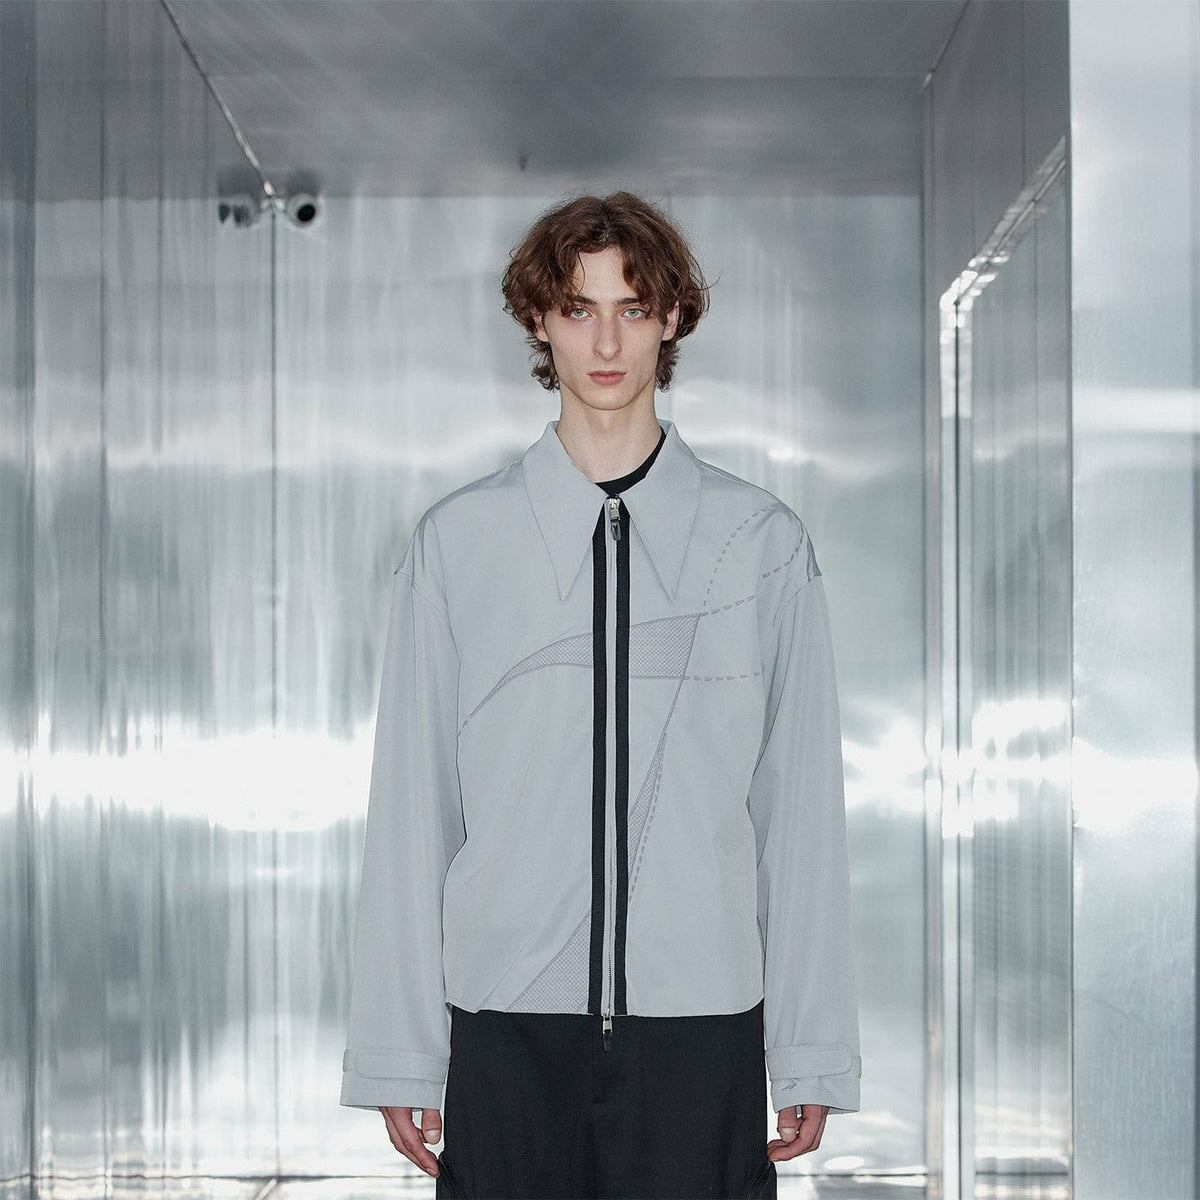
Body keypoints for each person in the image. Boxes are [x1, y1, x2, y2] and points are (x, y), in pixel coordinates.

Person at [339, 191, 861, 1199]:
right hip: (507, 1032)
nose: (608, 342)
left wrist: (810, 1049)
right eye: (579, 309)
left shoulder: (759, 546)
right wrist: (400, 1053)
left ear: (673, 318)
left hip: (701, 1031)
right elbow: (412, 808)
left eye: (633, 307)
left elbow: (799, 817)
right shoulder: (459, 546)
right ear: (540, 321)